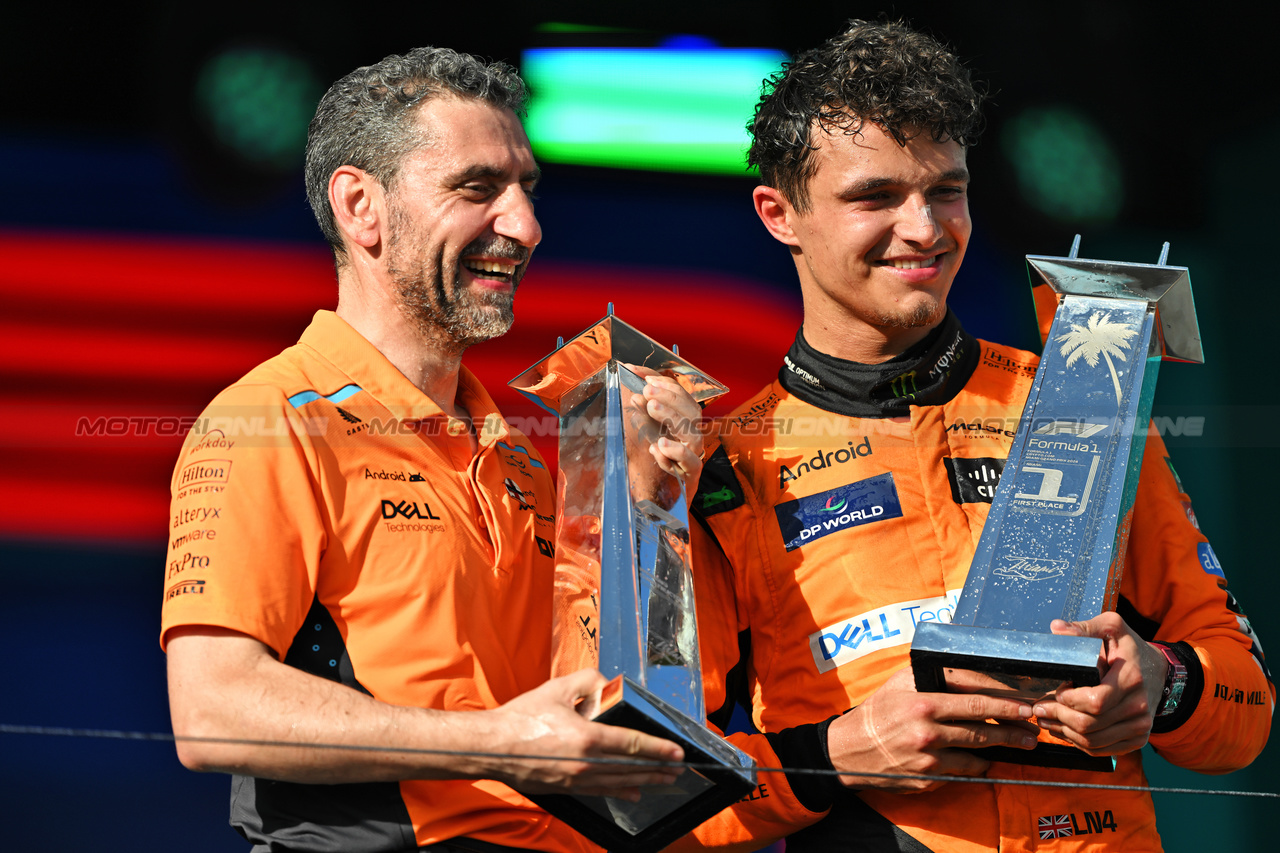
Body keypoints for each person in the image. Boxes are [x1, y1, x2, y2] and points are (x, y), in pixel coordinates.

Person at [672, 19, 1275, 852]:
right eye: (876, 197)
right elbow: (651, 793)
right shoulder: (717, 464)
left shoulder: (1082, 399)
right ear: (780, 213)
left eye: (945, 190)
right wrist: (832, 760)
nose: (924, 229)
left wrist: (1162, 685)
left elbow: (1246, 707)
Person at [161, 47, 705, 853]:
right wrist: (502, 743)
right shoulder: (267, 419)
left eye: (526, 191)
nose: (525, 226)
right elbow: (212, 712)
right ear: (361, 207)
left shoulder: (522, 458)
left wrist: (650, 510)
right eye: (477, 188)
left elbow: (587, 701)